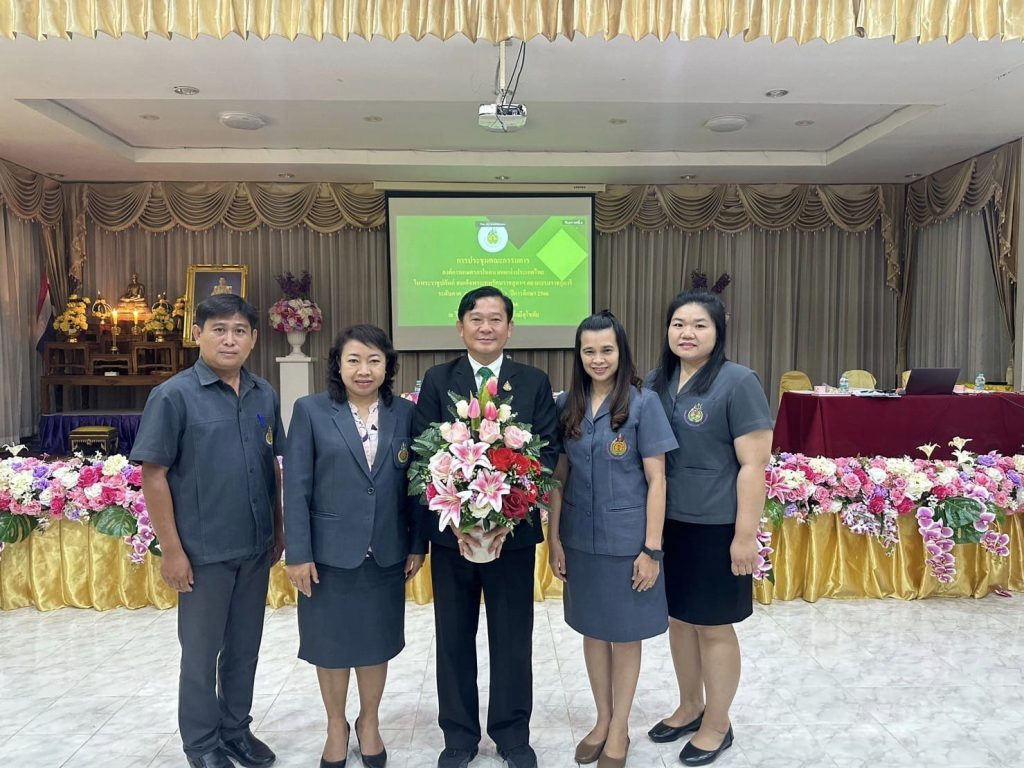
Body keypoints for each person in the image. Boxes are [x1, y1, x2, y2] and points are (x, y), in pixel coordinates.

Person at [130, 293, 284, 768]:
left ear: (254, 339)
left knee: (244, 649)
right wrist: (172, 551)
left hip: (255, 546)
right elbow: (153, 475)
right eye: (219, 329)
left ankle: (236, 730)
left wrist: (278, 529)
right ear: (197, 334)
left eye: (239, 330)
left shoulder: (263, 393)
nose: (229, 339)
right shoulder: (173, 396)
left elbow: (272, 464)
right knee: (200, 655)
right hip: (203, 553)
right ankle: (201, 743)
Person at [413, 286, 560, 768]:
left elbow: (547, 452)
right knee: (453, 637)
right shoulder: (438, 380)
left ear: (510, 328)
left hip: (510, 539)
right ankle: (458, 736)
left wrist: (506, 518)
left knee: (512, 638)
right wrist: (456, 520)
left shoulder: (533, 382)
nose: (486, 327)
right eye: (476, 318)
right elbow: (423, 456)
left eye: (496, 319)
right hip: (452, 537)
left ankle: (512, 734)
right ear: (460, 327)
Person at [284, 324, 427, 768]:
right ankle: (335, 725)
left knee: (374, 643)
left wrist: (417, 543)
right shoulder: (310, 411)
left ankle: (369, 722)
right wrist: (298, 553)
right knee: (329, 645)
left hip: (386, 550)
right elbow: (296, 486)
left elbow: (416, 485)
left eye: (374, 361)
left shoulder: (405, 414)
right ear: (338, 365)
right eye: (354, 360)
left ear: (387, 366)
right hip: (327, 555)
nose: (364, 370)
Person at [643, 291, 773, 766]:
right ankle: (690, 706)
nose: (687, 333)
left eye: (700, 324)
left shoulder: (738, 382)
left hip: (717, 526)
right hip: (667, 524)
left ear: (718, 332)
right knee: (680, 620)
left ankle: (718, 723)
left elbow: (754, 465)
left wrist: (745, 535)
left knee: (713, 625)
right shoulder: (656, 382)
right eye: (678, 323)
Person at [547, 312, 677, 768]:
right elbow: (558, 476)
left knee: (624, 635)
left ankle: (620, 727)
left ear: (621, 352)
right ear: (578, 355)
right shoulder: (567, 405)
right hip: (579, 540)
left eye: (607, 350)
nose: (598, 359)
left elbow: (657, 480)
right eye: (589, 351)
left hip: (627, 543)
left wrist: (651, 549)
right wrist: (554, 538)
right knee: (593, 630)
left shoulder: (644, 404)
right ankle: (601, 719)